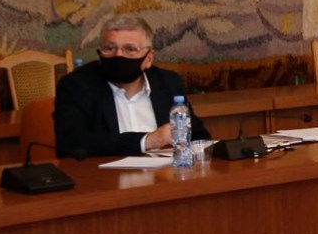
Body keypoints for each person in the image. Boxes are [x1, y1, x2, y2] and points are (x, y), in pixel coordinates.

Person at [52, 15, 211, 158]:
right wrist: (147, 141)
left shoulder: (168, 83)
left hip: (167, 175)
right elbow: (71, 144)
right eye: (110, 48)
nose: (118, 55)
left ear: (148, 58)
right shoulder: (76, 86)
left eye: (130, 49)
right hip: (106, 177)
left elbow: (197, 136)